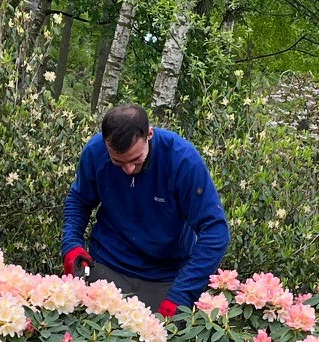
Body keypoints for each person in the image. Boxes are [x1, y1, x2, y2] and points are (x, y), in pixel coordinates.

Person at [61, 103, 228, 316]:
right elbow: (79, 199)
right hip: (106, 265)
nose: (128, 169)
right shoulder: (95, 151)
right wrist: (72, 243)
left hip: (165, 278)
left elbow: (216, 231)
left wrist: (182, 293)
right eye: (117, 162)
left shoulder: (183, 160)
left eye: (135, 159)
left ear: (149, 134)